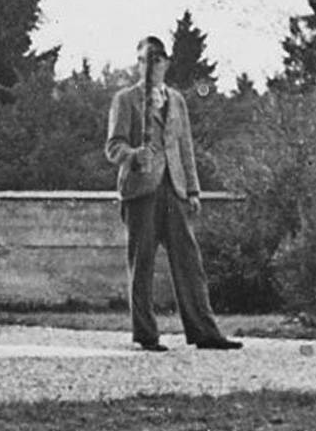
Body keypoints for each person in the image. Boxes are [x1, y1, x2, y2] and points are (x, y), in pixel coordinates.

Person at [104, 36, 243, 353]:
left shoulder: (177, 100)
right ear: (138, 64)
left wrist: (193, 189)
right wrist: (135, 155)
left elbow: (185, 148)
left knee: (190, 263)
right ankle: (146, 334)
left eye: (156, 60)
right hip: (141, 191)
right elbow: (113, 146)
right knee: (142, 264)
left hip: (175, 189)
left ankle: (204, 332)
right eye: (144, 60)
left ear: (165, 63)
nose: (150, 66)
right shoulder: (125, 99)